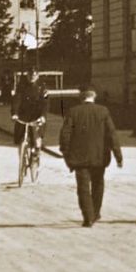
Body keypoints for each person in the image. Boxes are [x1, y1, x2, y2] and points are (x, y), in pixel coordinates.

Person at [57, 85, 122, 226]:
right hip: (99, 157)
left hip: (79, 157)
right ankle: (96, 212)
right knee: (98, 184)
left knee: (83, 188)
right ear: (94, 96)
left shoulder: (73, 112)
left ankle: (88, 216)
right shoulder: (103, 111)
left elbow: (65, 134)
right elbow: (112, 135)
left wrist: (65, 152)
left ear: (81, 97)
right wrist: (118, 156)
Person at [11, 69, 48, 183]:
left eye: (34, 75)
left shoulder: (42, 88)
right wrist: (14, 113)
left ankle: (35, 159)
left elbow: (45, 103)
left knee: (37, 141)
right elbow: (16, 100)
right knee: (20, 140)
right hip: (23, 117)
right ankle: (22, 161)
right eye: (30, 75)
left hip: (37, 117)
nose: (32, 77)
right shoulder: (21, 87)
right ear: (27, 75)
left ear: (37, 76)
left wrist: (42, 116)